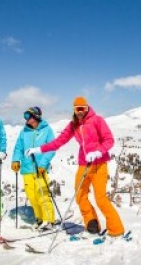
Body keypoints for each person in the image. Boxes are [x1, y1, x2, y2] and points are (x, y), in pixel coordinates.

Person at [26, 96, 124, 237]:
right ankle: (91, 223)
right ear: (74, 109)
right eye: (77, 109)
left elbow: (109, 140)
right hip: (84, 164)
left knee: (101, 199)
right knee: (80, 195)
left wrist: (97, 152)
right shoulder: (74, 125)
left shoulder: (97, 120)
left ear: (87, 108)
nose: (79, 111)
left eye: (82, 109)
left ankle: (117, 229)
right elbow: (59, 141)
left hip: (99, 164)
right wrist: (39, 149)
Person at [11, 106, 57, 230]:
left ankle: (49, 220)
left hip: (40, 168)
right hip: (27, 168)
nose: (26, 119)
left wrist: (43, 164)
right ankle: (40, 218)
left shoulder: (47, 130)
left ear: (36, 116)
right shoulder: (24, 131)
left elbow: (51, 148)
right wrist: (15, 159)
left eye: (28, 116)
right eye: (25, 116)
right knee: (32, 195)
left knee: (42, 194)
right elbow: (18, 147)